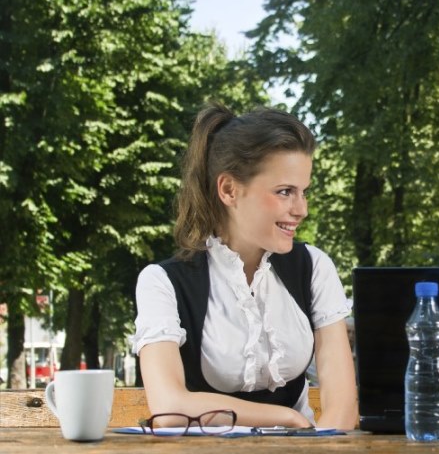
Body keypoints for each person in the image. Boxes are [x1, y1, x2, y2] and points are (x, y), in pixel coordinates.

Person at [133, 102, 358, 430]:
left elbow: (342, 413)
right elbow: (169, 406)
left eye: (303, 192)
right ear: (229, 190)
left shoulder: (314, 267)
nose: (301, 209)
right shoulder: (162, 282)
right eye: (285, 192)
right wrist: (287, 417)